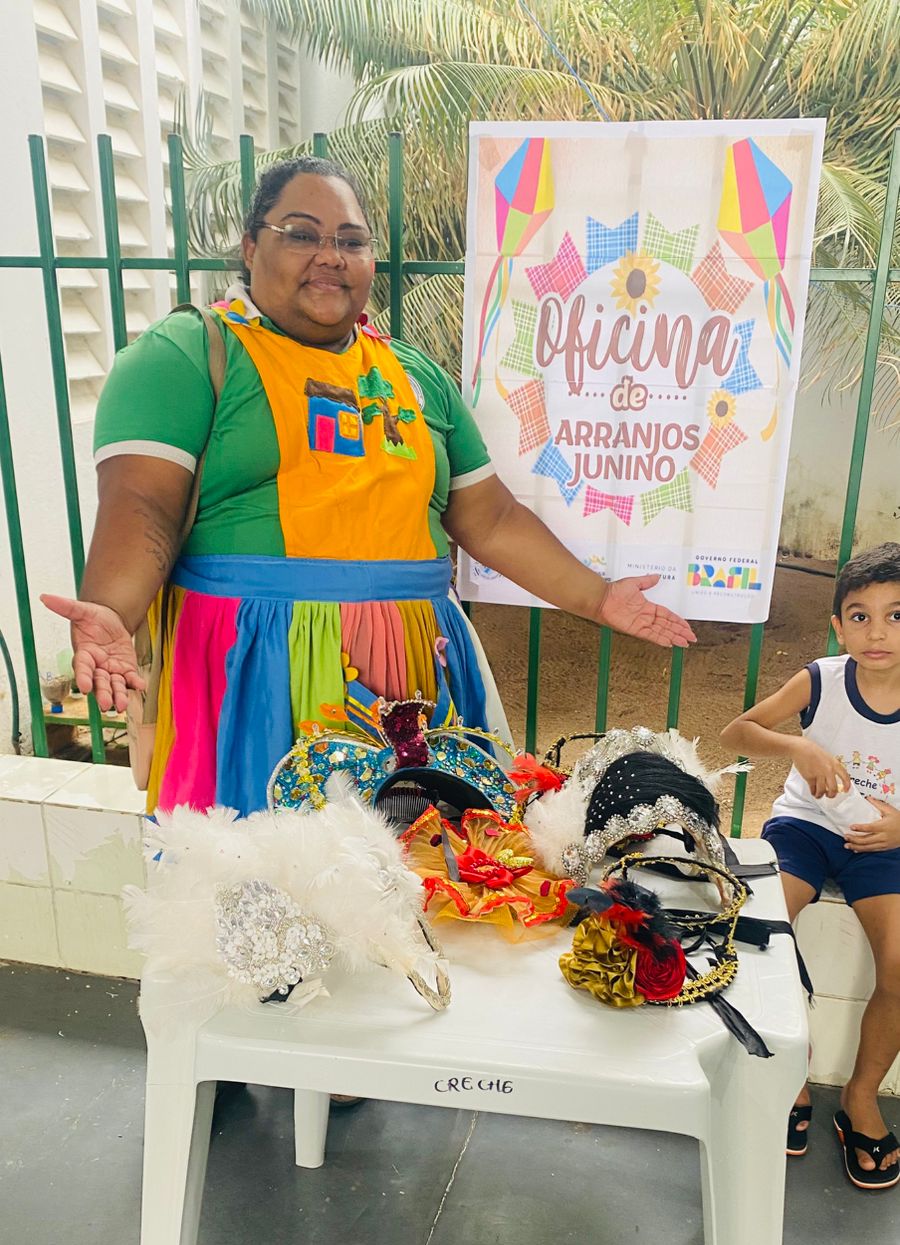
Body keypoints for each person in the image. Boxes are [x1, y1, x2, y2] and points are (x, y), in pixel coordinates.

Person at [41, 155, 693, 819]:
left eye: (351, 241)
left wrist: (598, 597)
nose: (330, 255)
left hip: (420, 673)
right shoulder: (187, 354)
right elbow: (143, 505)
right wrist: (113, 610)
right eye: (302, 233)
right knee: (266, 863)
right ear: (250, 247)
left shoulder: (414, 375)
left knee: (430, 864)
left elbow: (490, 519)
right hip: (257, 668)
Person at [721, 543, 900, 1190]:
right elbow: (736, 733)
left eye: (896, 615)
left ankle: (860, 1096)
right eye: (860, 616)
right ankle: (791, 1074)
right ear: (838, 626)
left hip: (883, 844)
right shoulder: (822, 679)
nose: (877, 632)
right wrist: (798, 746)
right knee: (762, 932)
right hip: (804, 828)